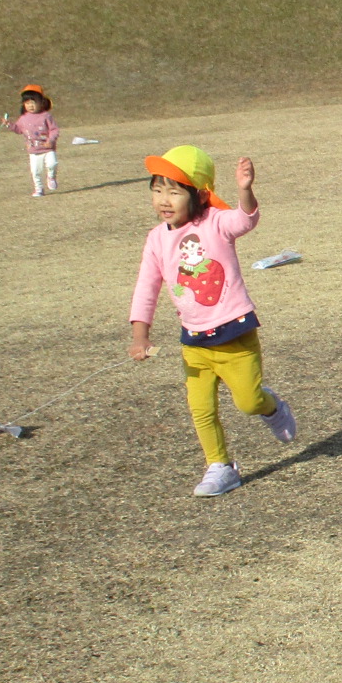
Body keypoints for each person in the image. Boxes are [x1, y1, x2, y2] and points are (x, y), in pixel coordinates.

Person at [127, 144, 296, 497]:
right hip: (194, 342)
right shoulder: (156, 240)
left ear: (200, 195)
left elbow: (245, 220)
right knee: (201, 410)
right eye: (157, 190)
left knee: (247, 402)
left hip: (235, 334)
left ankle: (270, 407)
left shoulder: (215, 223)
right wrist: (140, 334)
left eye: (174, 191)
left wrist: (245, 191)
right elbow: (146, 286)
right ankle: (220, 466)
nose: (163, 200)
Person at [2, 85, 60, 196]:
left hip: (48, 148)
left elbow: (54, 130)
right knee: (35, 171)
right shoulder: (23, 118)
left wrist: (51, 140)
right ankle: (39, 189)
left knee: (52, 163)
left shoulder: (46, 116)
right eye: (27, 103)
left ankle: (51, 177)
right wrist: (8, 124)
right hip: (34, 150)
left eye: (33, 102)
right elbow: (19, 129)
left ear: (41, 102)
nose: (31, 106)